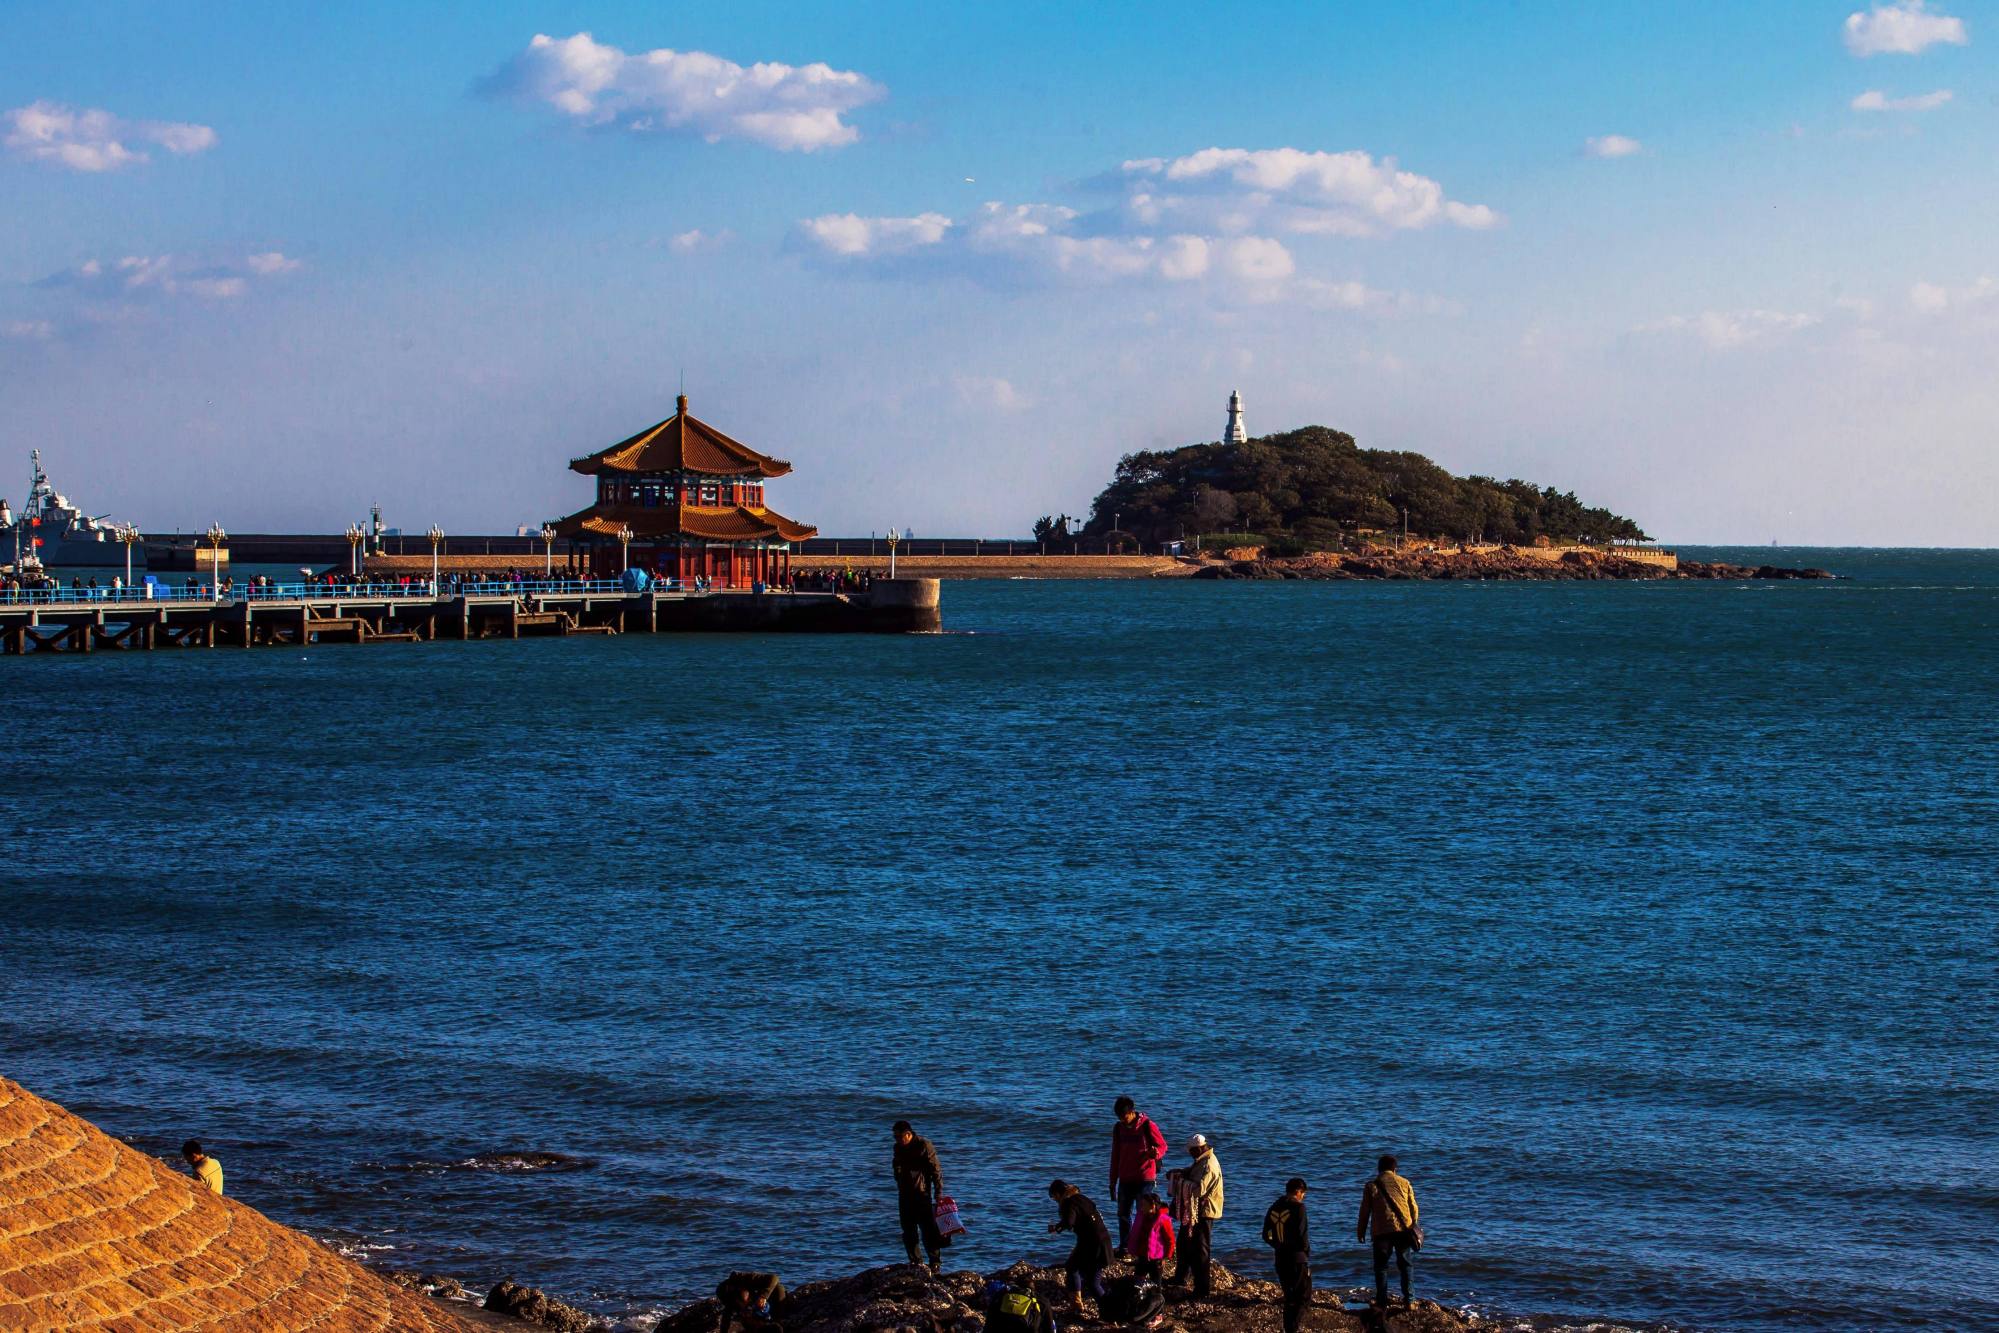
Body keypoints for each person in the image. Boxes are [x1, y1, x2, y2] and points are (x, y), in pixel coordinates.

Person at [1356, 1155, 1419, 1309]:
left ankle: (1382, 1301)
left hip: (1381, 1232)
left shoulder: (1371, 1186)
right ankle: (1409, 1300)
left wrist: (1361, 1231)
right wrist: (1413, 1226)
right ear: (1395, 1169)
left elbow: (1365, 1211)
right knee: (1405, 1265)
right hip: (1403, 1230)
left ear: (1379, 1169)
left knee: (1381, 1266)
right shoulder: (1405, 1183)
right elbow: (1414, 1208)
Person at [1109, 1096, 1168, 1252]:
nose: (1122, 1120)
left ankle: (1143, 1246)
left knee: (1143, 1214)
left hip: (1145, 1177)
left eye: (1124, 1116)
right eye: (1119, 1117)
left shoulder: (1148, 1125)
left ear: (1132, 1112)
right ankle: (1126, 1246)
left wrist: (1155, 1153)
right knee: (1123, 1213)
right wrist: (1112, 1180)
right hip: (1125, 1177)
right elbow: (1115, 1155)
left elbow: (1162, 1146)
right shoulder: (1118, 1128)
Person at [1047, 1179, 1113, 1314]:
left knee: (1077, 1271)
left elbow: (1070, 1222)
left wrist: (1056, 1227)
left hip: (1092, 1245)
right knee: (1086, 1276)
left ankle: (1086, 1307)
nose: (1055, 1201)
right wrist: (1060, 1226)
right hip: (1103, 1241)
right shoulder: (1081, 1198)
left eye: (1054, 1198)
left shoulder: (1068, 1203)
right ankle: (1105, 1308)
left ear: (1058, 1194)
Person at [891, 1120, 945, 1270]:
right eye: (895, 1137)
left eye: (899, 1136)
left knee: (928, 1230)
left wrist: (938, 1192)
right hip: (904, 1194)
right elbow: (896, 1165)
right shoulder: (897, 1148)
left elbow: (936, 1170)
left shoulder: (924, 1145)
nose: (897, 1140)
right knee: (908, 1231)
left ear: (908, 1134)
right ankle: (916, 1262)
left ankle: (935, 1263)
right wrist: (898, 1175)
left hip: (922, 1194)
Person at [1264, 1178, 1310, 1333]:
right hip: (1297, 1258)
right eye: (1303, 1193)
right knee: (1303, 1296)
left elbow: (1266, 1234)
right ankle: (1293, 1328)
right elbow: (1302, 1235)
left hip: (1280, 1258)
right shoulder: (1299, 1207)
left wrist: (1277, 1245)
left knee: (1289, 1297)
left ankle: (1288, 1328)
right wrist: (1305, 1252)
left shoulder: (1274, 1207)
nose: (1303, 1196)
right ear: (1298, 1191)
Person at [1180, 1133, 1223, 1297]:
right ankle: (1184, 1278)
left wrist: (1182, 1183)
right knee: (1188, 1244)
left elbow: (1199, 1190)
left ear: (1198, 1149)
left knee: (1201, 1249)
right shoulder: (1203, 1161)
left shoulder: (1208, 1165)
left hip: (1205, 1211)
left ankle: (1202, 1288)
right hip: (1198, 1210)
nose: (1190, 1155)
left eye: (1191, 1151)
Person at [1125, 1191, 1176, 1283]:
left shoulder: (1163, 1220)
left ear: (1152, 1206)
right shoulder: (1141, 1216)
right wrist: (1132, 1249)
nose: (1141, 1207)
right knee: (1137, 1283)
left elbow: (1170, 1239)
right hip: (1142, 1256)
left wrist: (1166, 1257)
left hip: (1156, 1260)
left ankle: (1156, 1295)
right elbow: (1134, 1233)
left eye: (1144, 1205)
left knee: (1156, 1284)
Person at [715, 1272, 788, 1333]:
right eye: (746, 1305)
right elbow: (726, 1315)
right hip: (728, 1294)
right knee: (747, 1315)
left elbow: (774, 1278)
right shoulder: (729, 1299)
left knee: (779, 1289)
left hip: (770, 1294)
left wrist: (764, 1296)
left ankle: (776, 1320)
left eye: (749, 1303)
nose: (749, 1306)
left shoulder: (747, 1279)